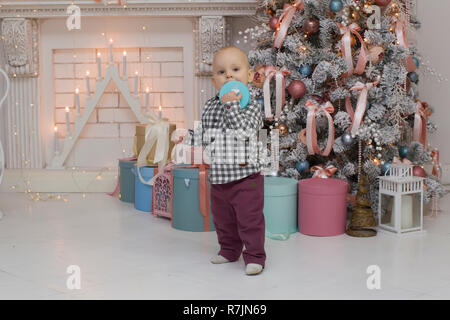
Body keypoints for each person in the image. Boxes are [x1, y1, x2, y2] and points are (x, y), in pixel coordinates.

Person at [190, 46, 266, 275]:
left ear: (250, 76)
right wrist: (187, 137)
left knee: (249, 219)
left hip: (246, 176)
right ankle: (229, 250)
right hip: (220, 175)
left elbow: (243, 131)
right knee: (223, 219)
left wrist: (232, 104)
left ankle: (254, 256)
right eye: (222, 72)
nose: (229, 75)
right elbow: (205, 133)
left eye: (235, 69)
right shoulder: (211, 105)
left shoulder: (251, 105)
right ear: (214, 81)